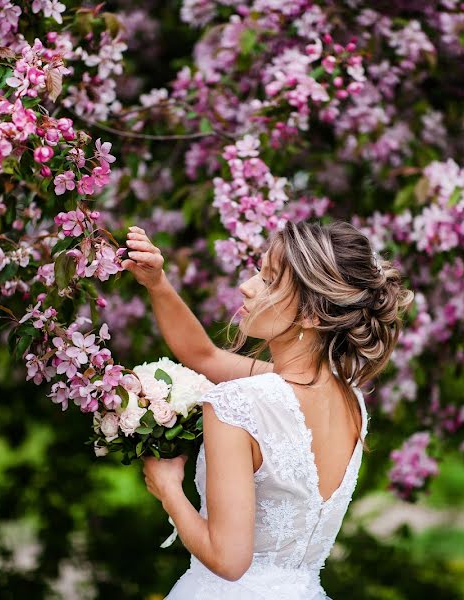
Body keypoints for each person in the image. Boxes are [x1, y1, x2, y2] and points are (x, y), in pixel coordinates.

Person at [122, 220, 414, 599]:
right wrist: (157, 283)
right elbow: (203, 356)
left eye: (270, 280)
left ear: (312, 315)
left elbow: (228, 560)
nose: (247, 285)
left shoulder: (239, 404)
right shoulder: (349, 398)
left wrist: (168, 491)